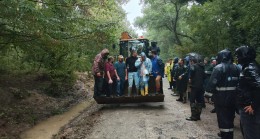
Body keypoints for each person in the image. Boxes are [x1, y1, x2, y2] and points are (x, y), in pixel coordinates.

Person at [206, 49, 240, 138]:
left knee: (223, 120)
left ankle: (225, 136)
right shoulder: (236, 67)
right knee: (230, 118)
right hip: (233, 99)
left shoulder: (219, 68)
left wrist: (207, 95)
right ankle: (229, 136)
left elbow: (212, 83)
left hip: (221, 99)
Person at [235, 46, 260, 139]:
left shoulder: (250, 68)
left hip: (249, 109)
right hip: (246, 106)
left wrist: (254, 105)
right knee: (247, 132)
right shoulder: (248, 66)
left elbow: (258, 86)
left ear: (245, 55)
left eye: (239, 55)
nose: (237, 57)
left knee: (251, 134)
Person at [186, 53, 205, 121]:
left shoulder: (193, 66)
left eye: (190, 61)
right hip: (201, 86)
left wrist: (190, 78)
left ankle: (193, 117)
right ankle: (198, 116)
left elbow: (191, 76)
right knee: (199, 101)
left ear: (192, 61)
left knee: (192, 101)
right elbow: (204, 76)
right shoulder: (202, 67)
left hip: (194, 86)